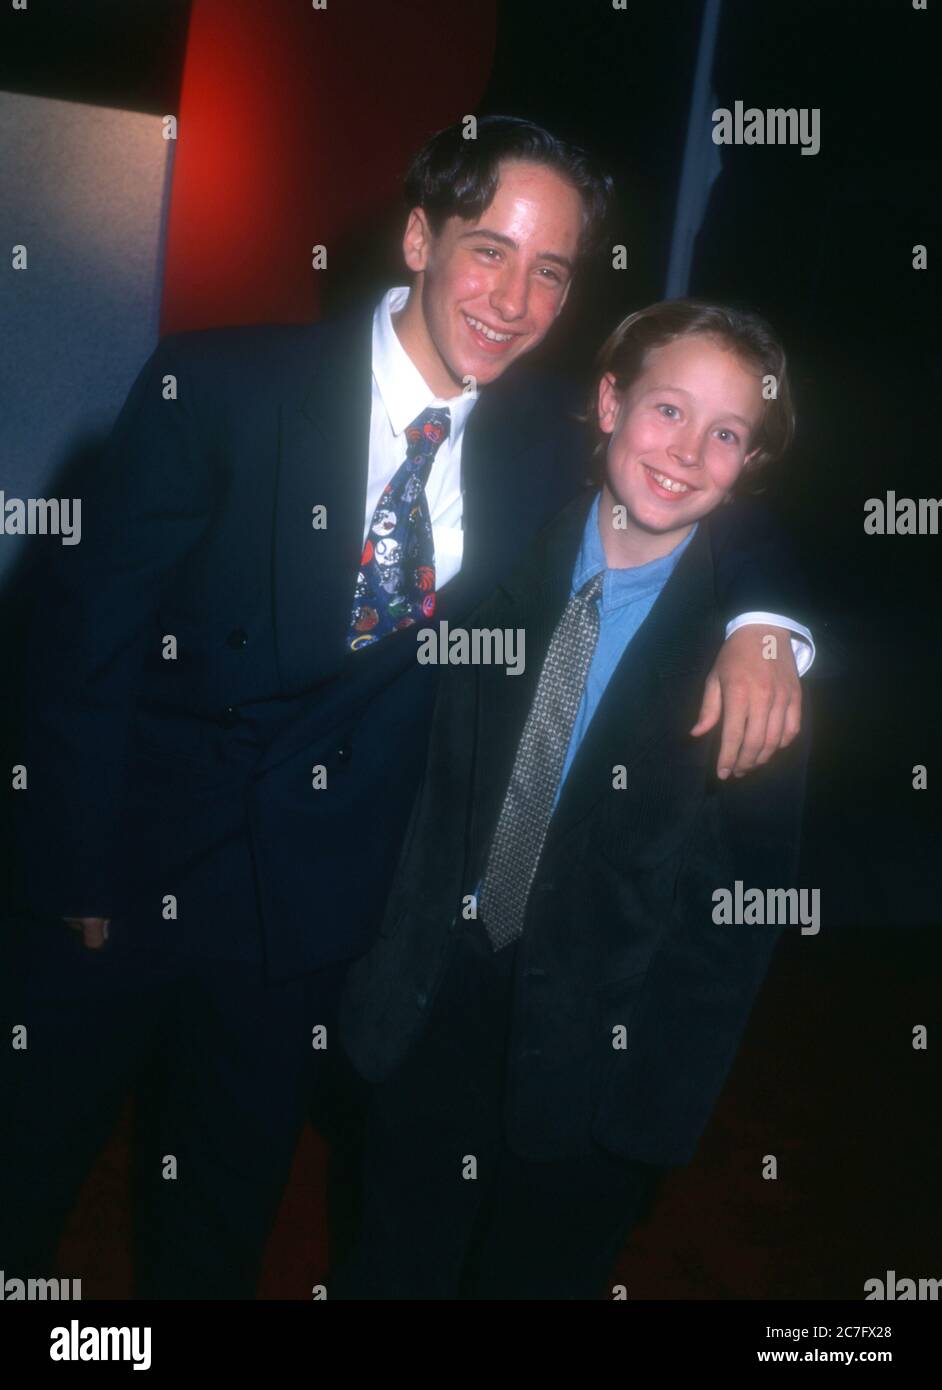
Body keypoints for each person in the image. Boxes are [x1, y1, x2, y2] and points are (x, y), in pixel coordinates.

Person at [2, 118, 811, 1299]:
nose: (515, 297)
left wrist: (769, 624)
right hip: (122, 880)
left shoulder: (544, 443)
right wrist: (70, 877)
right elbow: (83, 651)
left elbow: (706, 481)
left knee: (214, 1228)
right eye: (490, 250)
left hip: (312, 928)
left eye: (551, 271)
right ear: (421, 237)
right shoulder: (223, 383)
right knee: (26, 1185)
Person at [336, 298, 811, 1300]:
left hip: (600, 1052)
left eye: (726, 434)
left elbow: (737, 923)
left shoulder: (756, 668)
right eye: (667, 410)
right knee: (391, 1260)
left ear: (749, 464)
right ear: (608, 401)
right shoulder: (498, 541)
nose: (686, 451)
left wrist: (653, 1116)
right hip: (433, 996)